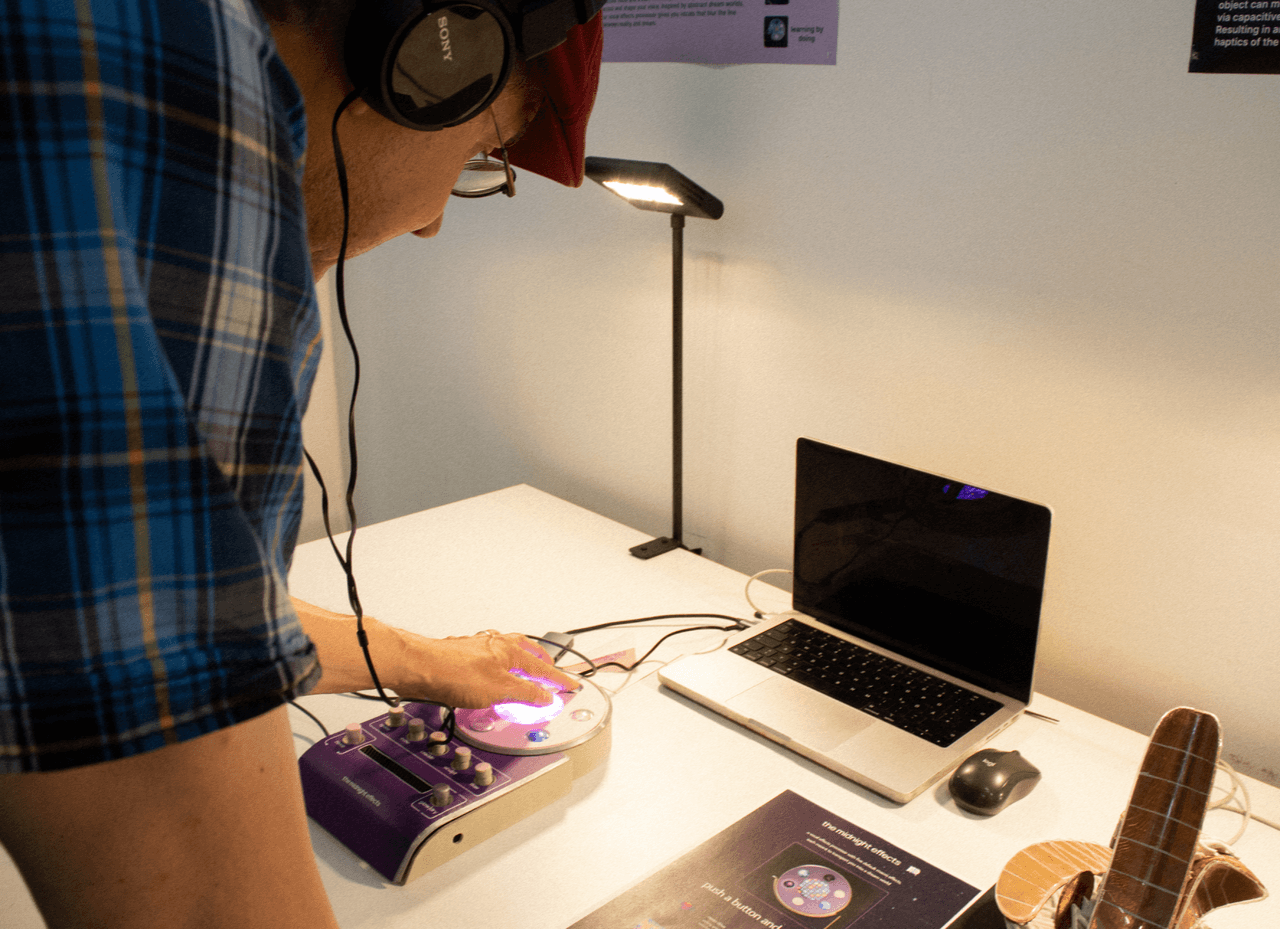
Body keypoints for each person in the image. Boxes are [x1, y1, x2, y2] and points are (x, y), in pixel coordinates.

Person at [0, 1, 603, 927]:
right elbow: (197, 894)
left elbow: (97, 598)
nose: (433, 223)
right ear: (428, 54)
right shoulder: (151, 51)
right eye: (483, 155)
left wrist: (419, 659)